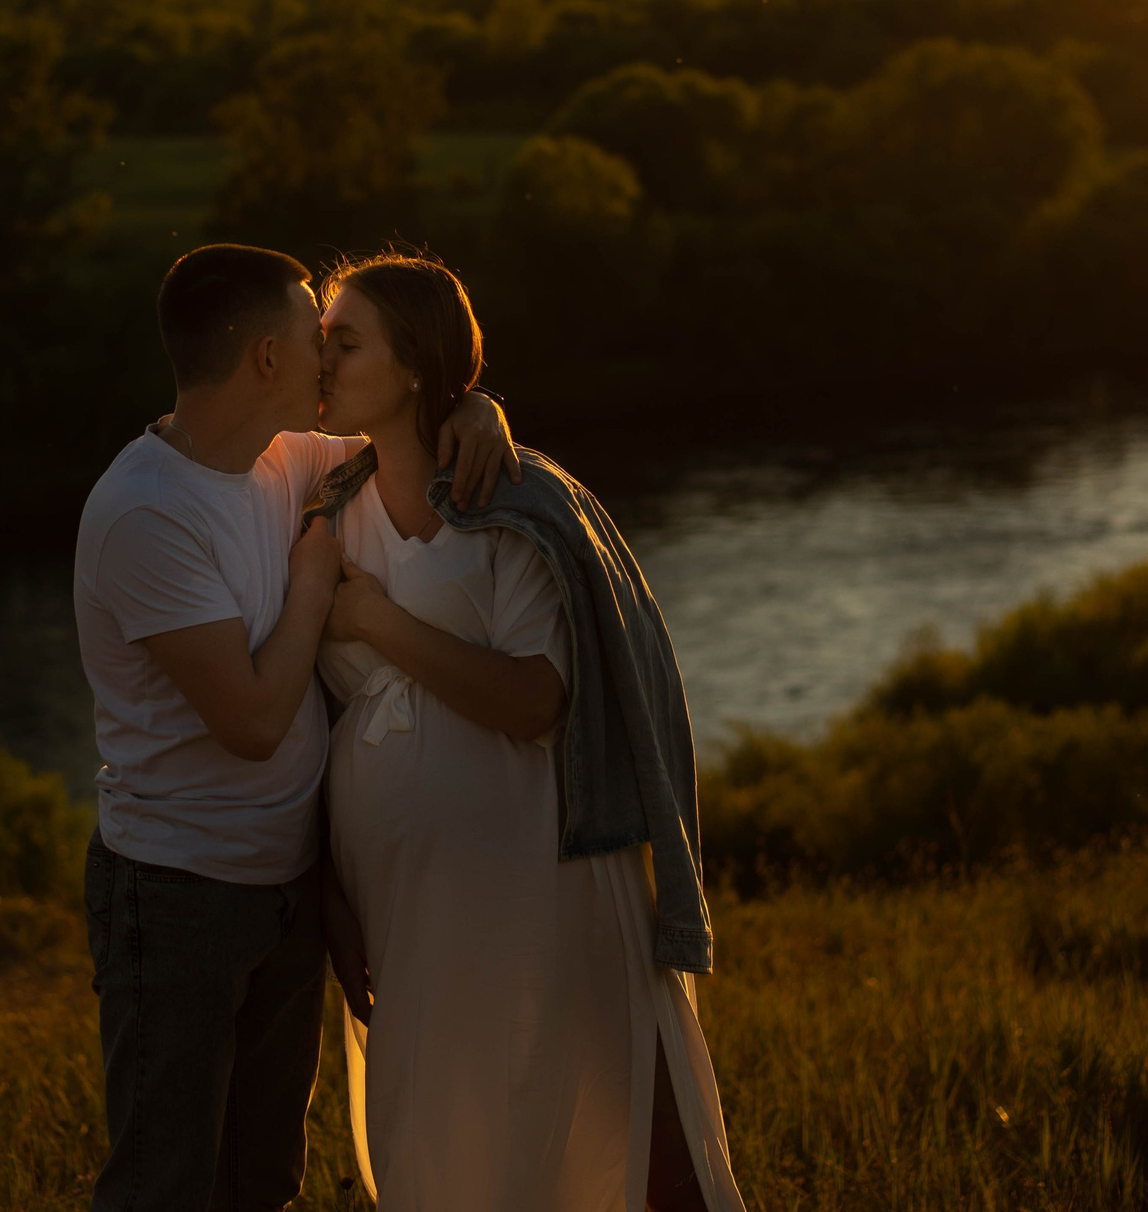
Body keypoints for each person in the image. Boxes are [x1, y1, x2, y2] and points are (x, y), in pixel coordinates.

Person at [73, 243, 516, 1212]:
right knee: (165, 1181)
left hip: (284, 885)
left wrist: (473, 402)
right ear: (265, 361)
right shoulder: (146, 512)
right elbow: (255, 721)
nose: (327, 351)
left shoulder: (280, 457)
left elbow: (397, 427)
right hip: (179, 893)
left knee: (262, 1180)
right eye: (311, 334)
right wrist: (318, 585)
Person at [311, 251, 746, 1212]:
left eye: (346, 342)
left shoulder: (507, 504)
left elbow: (533, 700)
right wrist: (330, 902)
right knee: (452, 1141)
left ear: (416, 364)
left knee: (599, 1128)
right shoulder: (317, 496)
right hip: (405, 909)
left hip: (540, 891)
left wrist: (380, 623)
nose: (322, 361)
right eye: (317, 340)